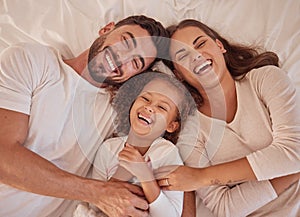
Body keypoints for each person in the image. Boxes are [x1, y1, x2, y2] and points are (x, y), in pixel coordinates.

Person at [0, 15, 169, 217]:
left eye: (136, 62)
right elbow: (3, 155)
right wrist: (97, 193)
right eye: (125, 42)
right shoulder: (32, 60)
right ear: (106, 29)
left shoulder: (120, 112)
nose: (121, 58)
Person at [157, 19, 300, 217]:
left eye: (201, 44)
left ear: (219, 46)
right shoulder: (189, 133)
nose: (197, 56)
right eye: (183, 56)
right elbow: (225, 208)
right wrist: (291, 172)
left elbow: (294, 152)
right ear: (178, 74)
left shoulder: (265, 79)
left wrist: (202, 176)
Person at [73, 71, 196, 217]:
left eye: (162, 107)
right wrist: (123, 173)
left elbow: (170, 215)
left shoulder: (166, 153)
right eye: (145, 98)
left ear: (171, 126)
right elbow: (96, 201)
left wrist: (145, 175)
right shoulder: (108, 149)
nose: (150, 107)